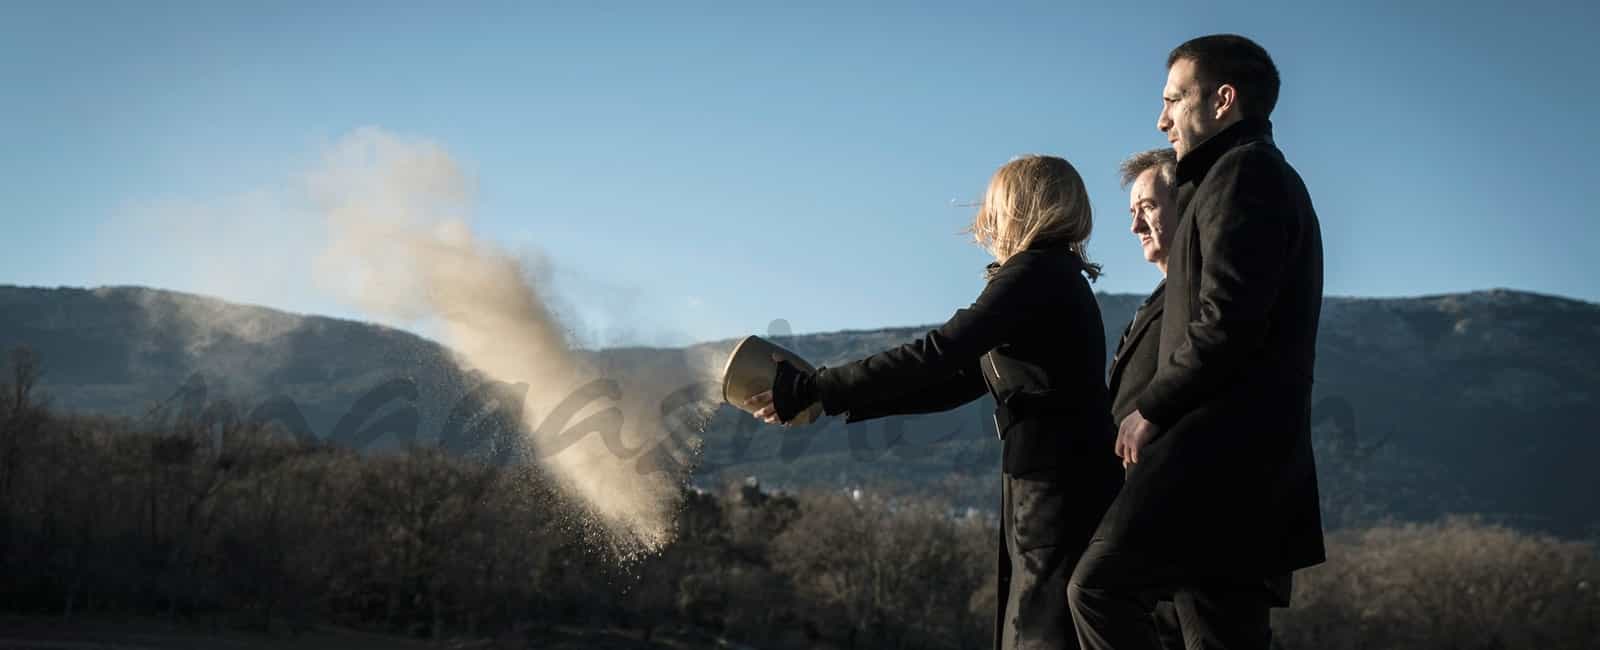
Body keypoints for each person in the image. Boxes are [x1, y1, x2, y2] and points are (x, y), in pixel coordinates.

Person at [748, 154, 1124, 649]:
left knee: (1039, 630)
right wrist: (828, 400)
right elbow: (955, 380)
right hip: (1054, 481)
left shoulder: (1034, 273)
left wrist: (816, 387)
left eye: (994, 209)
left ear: (1018, 208)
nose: (987, 224)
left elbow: (939, 352)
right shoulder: (1053, 279)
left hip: (1056, 486)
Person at [1067, 34, 1326, 650]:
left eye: (1173, 100)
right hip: (1239, 474)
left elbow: (1228, 321)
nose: (1162, 119)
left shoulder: (1246, 176)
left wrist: (1151, 408)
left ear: (1222, 101)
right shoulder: (1240, 177)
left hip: (1215, 463)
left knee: (1097, 587)